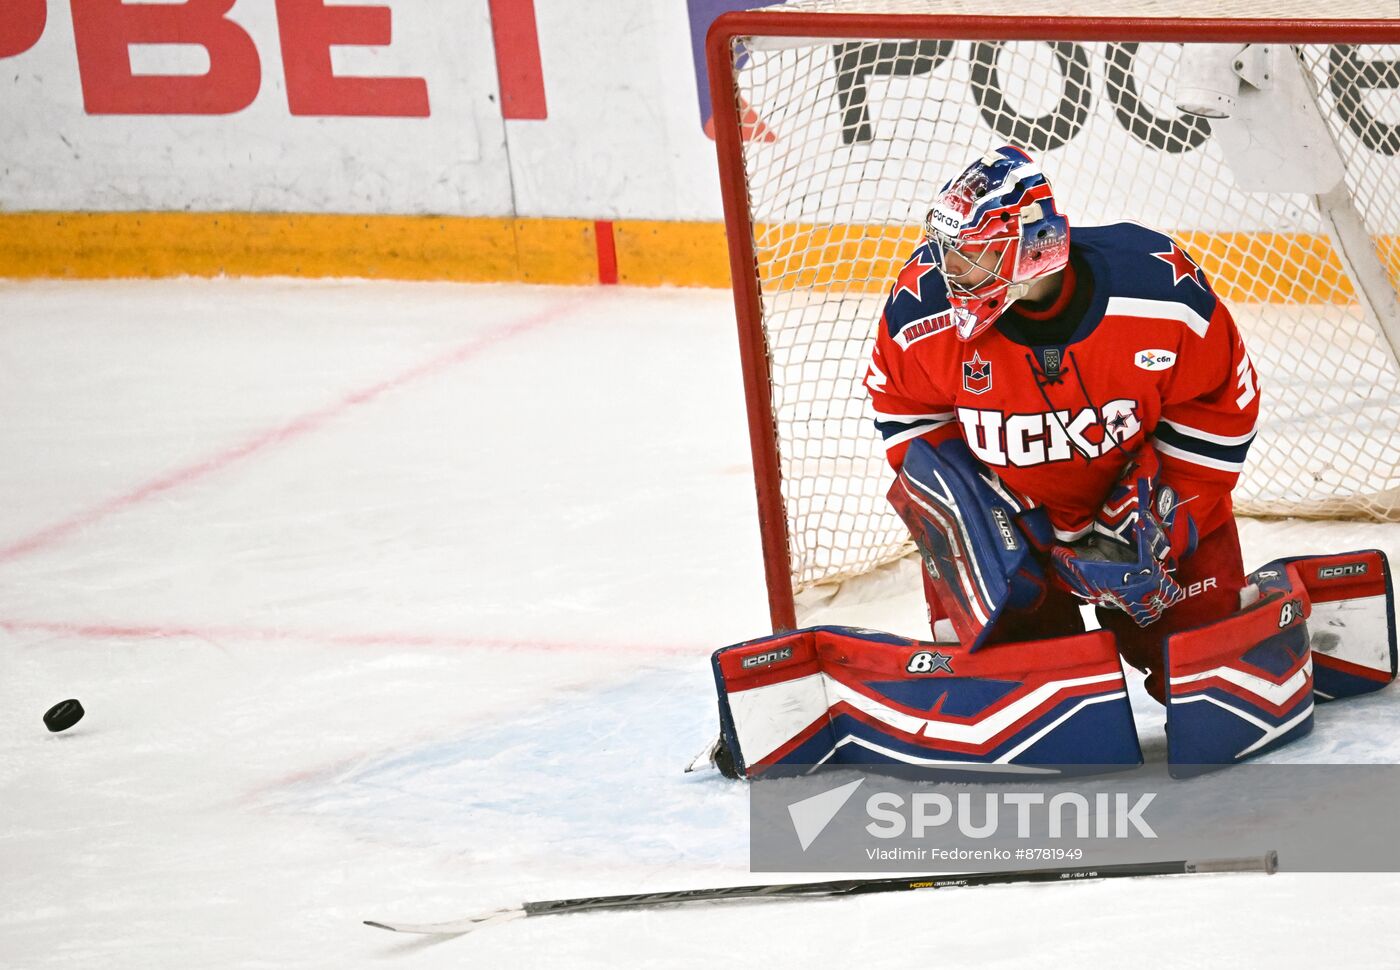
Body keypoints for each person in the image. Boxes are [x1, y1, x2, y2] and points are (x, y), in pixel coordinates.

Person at [866, 144, 1260, 701]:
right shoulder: (921, 310)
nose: (949, 270)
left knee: (1214, 692)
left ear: (1034, 245)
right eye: (948, 249)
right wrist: (981, 523)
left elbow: (1222, 400)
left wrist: (1170, 516)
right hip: (1013, 541)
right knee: (1019, 709)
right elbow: (904, 412)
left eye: (972, 253)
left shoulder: (1159, 292)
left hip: (1142, 525)